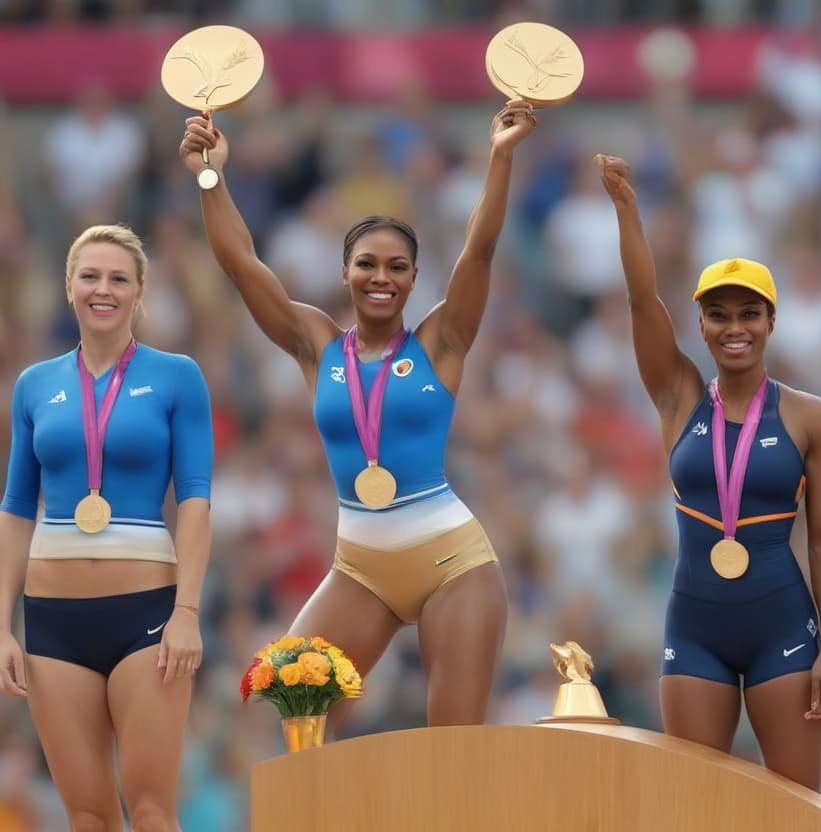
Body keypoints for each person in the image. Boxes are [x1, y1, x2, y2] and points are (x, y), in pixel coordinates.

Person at [179, 100, 536, 729]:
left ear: (415, 277)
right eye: (367, 264)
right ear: (344, 272)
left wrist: (500, 157)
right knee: (295, 706)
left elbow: (478, 252)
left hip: (453, 565)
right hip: (360, 570)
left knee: (454, 744)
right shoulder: (316, 344)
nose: (381, 277)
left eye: (397, 267)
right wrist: (210, 175)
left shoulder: (440, 343)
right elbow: (241, 264)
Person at [596, 153, 821, 791]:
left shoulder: (812, 418)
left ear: (770, 321)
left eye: (748, 314)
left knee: (796, 806)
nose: (734, 328)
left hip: (784, 629)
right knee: (692, 805)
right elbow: (640, 300)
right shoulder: (678, 396)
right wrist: (627, 209)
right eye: (719, 315)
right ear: (701, 325)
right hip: (695, 628)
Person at [0, 224, 213, 831]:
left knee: (149, 812)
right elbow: (16, 506)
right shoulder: (34, 385)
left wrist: (188, 612)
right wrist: (1, 625)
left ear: (139, 293)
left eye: (119, 278)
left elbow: (195, 500)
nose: (103, 289)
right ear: (69, 287)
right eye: (90, 276)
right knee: (88, 817)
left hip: (146, 616)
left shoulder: (177, 377)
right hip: (52, 623)